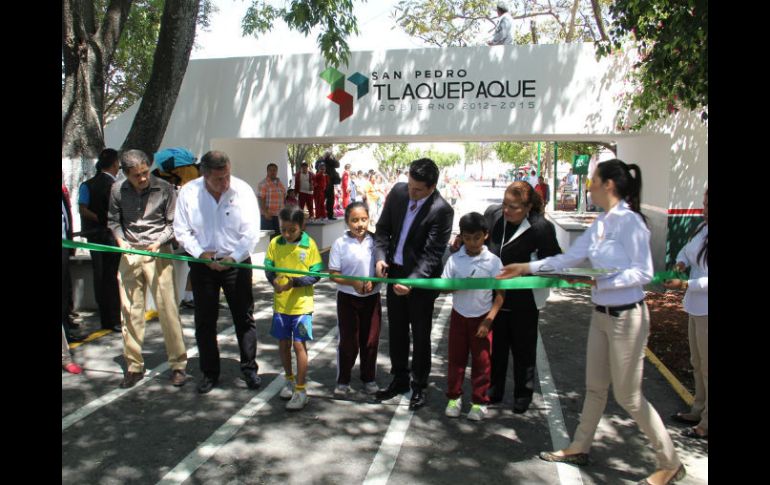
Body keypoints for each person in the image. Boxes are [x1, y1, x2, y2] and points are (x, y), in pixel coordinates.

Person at [498, 159, 685, 485]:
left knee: (628, 396)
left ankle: (669, 461)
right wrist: (526, 268)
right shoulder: (602, 222)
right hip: (601, 316)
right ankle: (579, 447)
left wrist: (602, 281)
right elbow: (568, 259)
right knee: (595, 388)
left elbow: (644, 273)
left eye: (594, 181)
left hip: (627, 316)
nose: (589, 186)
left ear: (608, 185)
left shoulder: (631, 223)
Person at [174, 150, 262, 394]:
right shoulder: (189, 193)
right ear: (204, 175)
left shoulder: (242, 191)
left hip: (237, 263)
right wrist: (200, 254)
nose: (225, 183)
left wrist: (233, 258)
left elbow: (251, 232)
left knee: (243, 317)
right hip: (203, 265)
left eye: (227, 176)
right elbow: (182, 231)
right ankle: (209, 373)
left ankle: (249, 369)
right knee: (205, 320)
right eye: (218, 179)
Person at [373, 158, 454, 410]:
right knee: (396, 332)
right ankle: (399, 378)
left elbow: (433, 254)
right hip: (394, 273)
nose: (411, 193)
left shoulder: (442, 210)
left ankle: (419, 385)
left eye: (418, 190)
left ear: (432, 187)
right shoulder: (398, 193)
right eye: (410, 186)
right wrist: (379, 259)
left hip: (420, 283)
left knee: (420, 335)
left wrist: (412, 282)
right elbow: (382, 230)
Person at [108, 149, 189, 388]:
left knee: (168, 309)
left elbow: (174, 224)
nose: (142, 179)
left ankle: (178, 365)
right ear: (125, 174)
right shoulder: (117, 190)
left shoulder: (165, 188)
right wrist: (121, 241)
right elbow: (113, 220)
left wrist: (159, 241)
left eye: (145, 173)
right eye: (136, 176)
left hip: (158, 251)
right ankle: (133, 366)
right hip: (130, 252)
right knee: (130, 310)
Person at [481, 181, 561, 413]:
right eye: (505, 204)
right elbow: (483, 241)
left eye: (514, 207)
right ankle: (494, 389)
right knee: (496, 347)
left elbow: (554, 261)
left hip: (525, 299)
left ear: (527, 207)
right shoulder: (494, 216)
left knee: (523, 348)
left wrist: (527, 268)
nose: (507, 210)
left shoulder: (540, 228)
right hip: (495, 297)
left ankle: (522, 393)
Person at [441, 212, 504, 421]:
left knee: (482, 361)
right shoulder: (454, 260)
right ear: (461, 237)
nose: (472, 242)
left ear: (485, 235)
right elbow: (444, 288)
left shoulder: (493, 262)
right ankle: (454, 398)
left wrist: (489, 319)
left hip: (482, 318)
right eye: (467, 238)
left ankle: (479, 401)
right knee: (456, 360)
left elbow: (501, 294)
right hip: (459, 316)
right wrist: (454, 287)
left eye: (476, 237)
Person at [265, 207, 323, 410]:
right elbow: (268, 268)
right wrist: (274, 282)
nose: (287, 234)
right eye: (284, 229)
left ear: (302, 227)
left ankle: (300, 389)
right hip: (281, 305)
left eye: (292, 230)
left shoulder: (309, 246)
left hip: (301, 306)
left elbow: (316, 274)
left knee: (299, 346)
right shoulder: (275, 243)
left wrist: (293, 283)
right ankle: (289, 380)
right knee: (283, 344)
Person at [665, 189, 708, 441]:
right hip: (695, 306)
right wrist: (681, 263)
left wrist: (684, 285)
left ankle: (706, 423)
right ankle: (698, 409)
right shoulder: (702, 229)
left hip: (706, 308)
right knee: (697, 363)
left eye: (707, 204)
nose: (704, 208)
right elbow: (685, 251)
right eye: (704, 202)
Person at [328, 202, 382, 397]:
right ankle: (343, 379)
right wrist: (353, 283)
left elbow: (383, 269)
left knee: (370, 340)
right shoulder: (340, 244)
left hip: (372, 299)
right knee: (348, 341)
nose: (360, 224)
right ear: (347, 221)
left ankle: (368, 378)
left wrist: (374, 283)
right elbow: (333, 274)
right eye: (355, 220)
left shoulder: (376, 241)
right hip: (347, 299)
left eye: (364, 219)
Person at [78, 148, 122, 333]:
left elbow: (83, 209)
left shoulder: (86, 185)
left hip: (94, 235)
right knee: (112, 276)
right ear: (115, 164)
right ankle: (114, 318)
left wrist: (96, 218)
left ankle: (106, 318)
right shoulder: (117, 186)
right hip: (111, 236)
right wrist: (105, 220)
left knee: (100, 276)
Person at [257, 162, 286, 235]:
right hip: (268, 216)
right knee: (269, 239)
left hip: (278, 216)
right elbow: (261, 199)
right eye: (271, 170)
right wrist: (266, 212)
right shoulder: (263, 183)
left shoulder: (280, 183)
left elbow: (283, 196)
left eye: (275, 170)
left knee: (278, 238)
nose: (273, 172)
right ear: (267, 171)